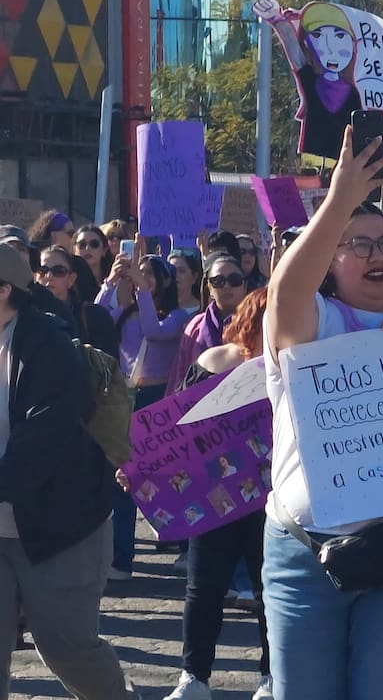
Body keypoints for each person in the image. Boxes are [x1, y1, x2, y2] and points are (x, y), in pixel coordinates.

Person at [263, 126, 383, 700]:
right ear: (329, 261)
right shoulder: (308, 323)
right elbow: (285, 293)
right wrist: (339, 201)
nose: (377, 254)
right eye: (358, 243)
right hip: (305, 555)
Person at [0, 245, 139, 699]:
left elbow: (43, 442)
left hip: (60, 525)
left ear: (4, 292)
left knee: (66, 649)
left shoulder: (52, 346)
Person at [159, 289, 273, 700]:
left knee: (269, 591)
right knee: (203, 588)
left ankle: (271, 676)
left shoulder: (290, 365)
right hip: (214, 496)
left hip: (269, 500)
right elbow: (171, 434)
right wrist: (141, 473)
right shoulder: (212, 362)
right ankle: (194, 676)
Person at [97, 252, 191, 580]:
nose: (141, 279)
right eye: (137, 273)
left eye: (149, 274)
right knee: (124, 478)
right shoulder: (127, 314)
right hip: (125, 398)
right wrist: (111, 281)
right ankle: (121, 559)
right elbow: (98, 314)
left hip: (157, 399)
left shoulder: (177, 317)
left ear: (163, 281)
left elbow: (154, 330)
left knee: (166, 476)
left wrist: (142, 290)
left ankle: (184, 545)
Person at [253, 0, 362, 162]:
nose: (331, 50)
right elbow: (294, 50)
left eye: (340, 36)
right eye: (318, 36)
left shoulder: (353, 93)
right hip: (312, 163)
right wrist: (277, 19)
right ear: (307, 43)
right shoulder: (311, 80)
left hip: (343, 165)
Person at [165, 254, 247, 397]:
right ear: (209, 287)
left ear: (245, 285)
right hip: (199, 407)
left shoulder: (258, 323)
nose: (227, 286)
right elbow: (180, 374)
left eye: (234, 280)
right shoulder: (195, 325)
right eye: (218, 281)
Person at [34, 246, 118, 358]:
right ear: (35, 276)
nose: (49, 277)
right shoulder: (25, 315)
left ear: (71, 279)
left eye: (59, 271)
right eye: (42, 271)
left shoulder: (93, 315)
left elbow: (110, 364)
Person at [168, 248, 204, 315]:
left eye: (181, 271)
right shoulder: (159, 310)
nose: (176, 275)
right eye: (172, 270)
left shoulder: (203, 310)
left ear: (194, 277)